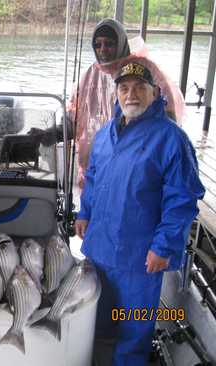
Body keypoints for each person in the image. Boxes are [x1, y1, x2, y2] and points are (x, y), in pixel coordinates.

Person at [74, 62, 205, 366]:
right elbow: (92, 178)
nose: (130, 94)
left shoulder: (172, 138)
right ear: (116, 93)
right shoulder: (106, 133)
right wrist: (85, 212)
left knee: (134, 326)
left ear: (154, 93)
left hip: (140, 256)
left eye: (139, 88)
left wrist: (164, 247)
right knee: (100, 317)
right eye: (124, 88)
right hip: (101, 247)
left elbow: (182, 199)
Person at [69, 18, 185, 188]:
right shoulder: (91, 73)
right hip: (102, 156)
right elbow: (75, 109)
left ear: (121, 43)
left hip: (140, 154)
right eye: (98, 44)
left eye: (109, 44)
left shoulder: (145, 68)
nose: (103, 50)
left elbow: (168, 109)